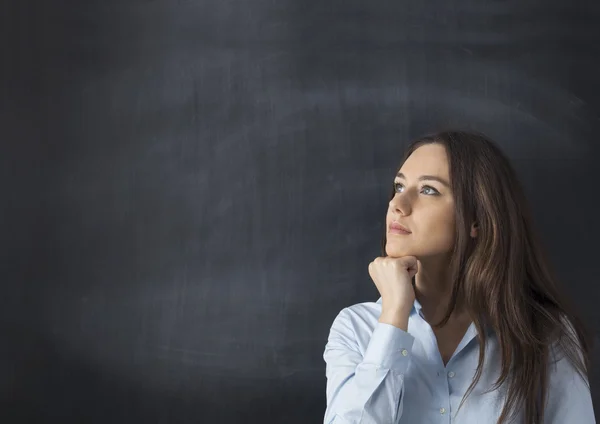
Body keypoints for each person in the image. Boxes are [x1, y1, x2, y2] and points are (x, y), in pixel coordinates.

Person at [322, 130, 596, 424]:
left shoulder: (545, 333)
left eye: (428, 190)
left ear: (476, 220)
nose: (397, 205)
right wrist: (393, 315)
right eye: (398, 186)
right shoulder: (355, 329)